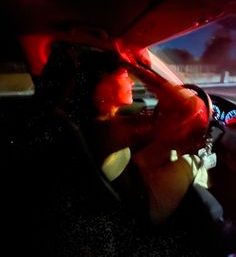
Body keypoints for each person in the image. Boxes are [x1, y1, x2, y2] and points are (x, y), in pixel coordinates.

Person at [69, 48, 236, 255]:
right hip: (142, 207)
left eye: (130, 75)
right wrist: (139, 68)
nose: (131, 81)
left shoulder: (106, 123)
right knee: (192, 161)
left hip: (130, 182)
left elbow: (162, 128)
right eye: (123, 75)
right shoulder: (107, 130)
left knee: (167, 150)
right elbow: (188, 108)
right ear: (101, 86)